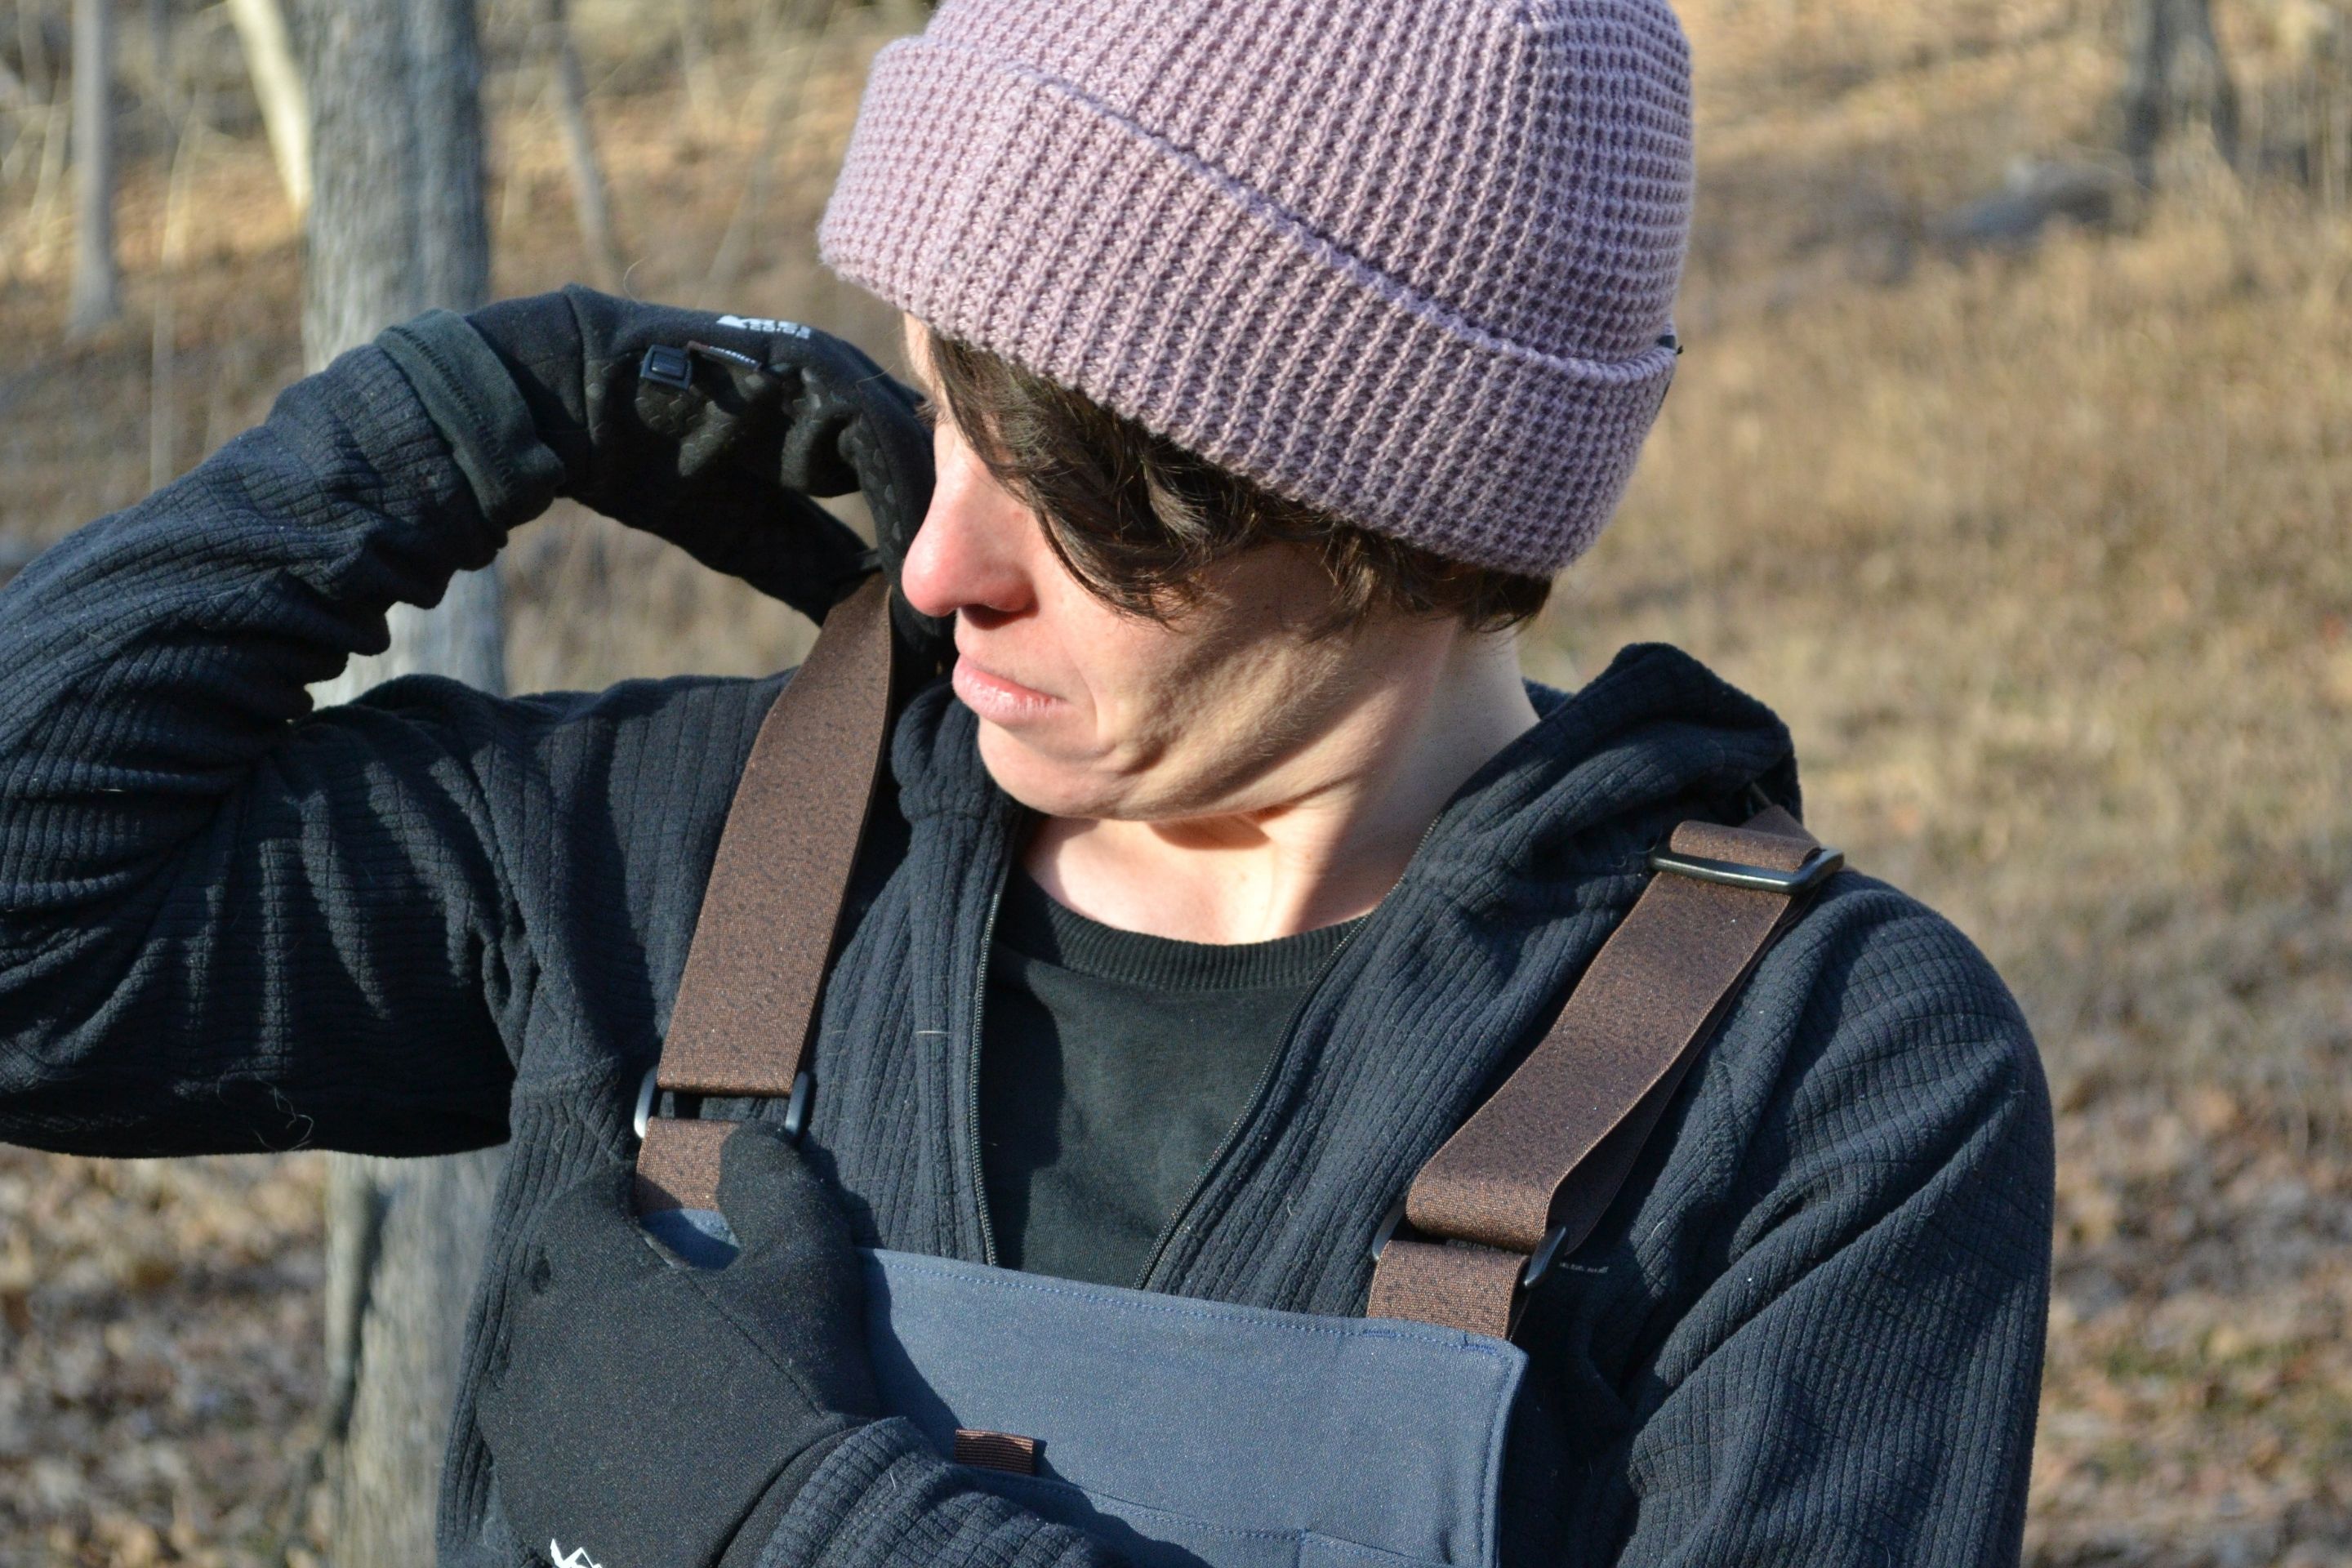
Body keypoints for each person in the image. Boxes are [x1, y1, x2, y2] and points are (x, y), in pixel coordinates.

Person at [0, 0, 2055, 1565]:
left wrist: (806, 1522)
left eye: (1061, 475)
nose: (930, 561)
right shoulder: (702, 861)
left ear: (1383, 518)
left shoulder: (1814, 1081)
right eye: (936, 403)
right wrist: (464, 413)